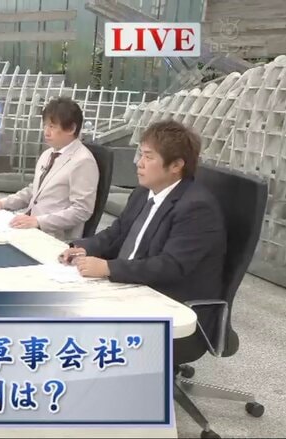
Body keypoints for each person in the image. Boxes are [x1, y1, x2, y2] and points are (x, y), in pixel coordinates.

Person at [59, 119, 227, 364]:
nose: (139, 163)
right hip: (133, 288)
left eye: (148, 157)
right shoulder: (143, 192)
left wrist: (108, 267)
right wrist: (81, 247)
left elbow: (170, 266)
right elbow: (117, 233)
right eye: (141, 154)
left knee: (76, 329)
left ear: (176, 165)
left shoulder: (196, 208)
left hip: (169, 303)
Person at [0, 97, 99, 241]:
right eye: (45, 126)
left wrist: (39, 222)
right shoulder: (48, 154)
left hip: (55, 236)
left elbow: (82, 210)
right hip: (29, 227)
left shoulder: (83, 161)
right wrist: (2, 203)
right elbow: (34, 191)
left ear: (71, 128)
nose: (46, 132)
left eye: (52, 127)